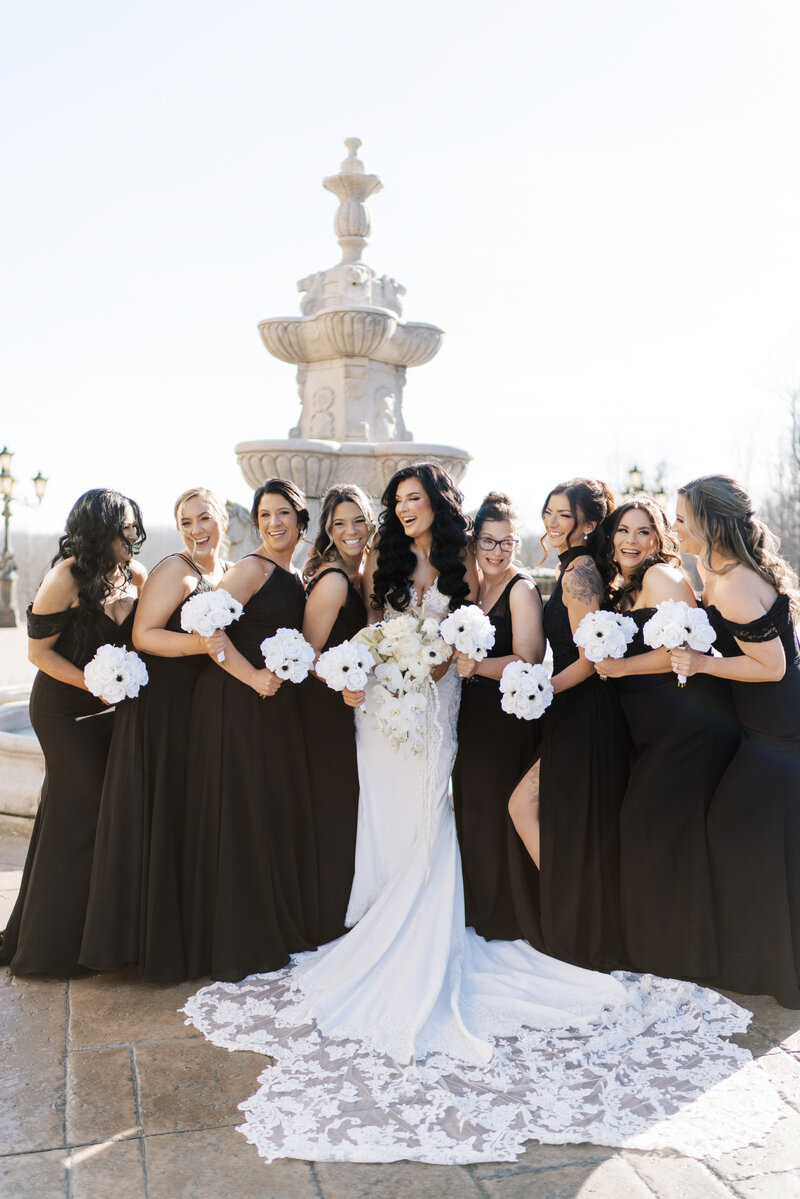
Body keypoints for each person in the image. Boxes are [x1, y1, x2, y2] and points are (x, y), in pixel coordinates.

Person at [181, 463, 778, 1165]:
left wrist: (452, 666)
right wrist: (371, 667)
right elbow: (372, 628)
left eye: (415, 498)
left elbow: (501, 632)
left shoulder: (474, 558)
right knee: (392, 812)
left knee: (441, 811)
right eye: (396, 501)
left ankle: (460, 918)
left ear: (438, 504)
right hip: (385, 704)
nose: (405, 510)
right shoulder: (382, 562)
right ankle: (377, 914)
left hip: (445, 704)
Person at [80, 488, 230, 981]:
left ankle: (178, 933)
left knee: (180, 816)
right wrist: (203, 647)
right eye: (185, 521)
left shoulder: (223, 570)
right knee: (157, 814)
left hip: (192, 709)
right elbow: (144, 635)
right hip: (160, 708)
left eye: (203, 517)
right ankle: (142, 944)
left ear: (222, 518)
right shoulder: (176, 568)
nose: (195, 528)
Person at [0, 489, 146, 976]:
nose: (130, 534)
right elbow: (38, 655)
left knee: (107, 816)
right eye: (121, 527)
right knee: (78, 818)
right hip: (66, 711)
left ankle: (102, 937)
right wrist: (94, 683)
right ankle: (53, 948)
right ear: (96, 529)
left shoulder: (136, 576)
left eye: (133, 525)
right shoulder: (65, 577)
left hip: (113, 714)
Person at [593, 498, 739, 979]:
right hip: (650, 730)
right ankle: (656, 949)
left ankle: (681, 956)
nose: (631, 541)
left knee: (656, 828)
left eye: (644, 532)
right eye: (623, 531)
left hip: (685, 727)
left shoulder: (662, 578)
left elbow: (689, 647)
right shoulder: (623, 588)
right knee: (649, 829)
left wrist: (621, 668)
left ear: (659, 540)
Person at [181, 478, 318, 982]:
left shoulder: (296, 573)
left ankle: (271, 922)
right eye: (265, 515)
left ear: (301, 521)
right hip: (235, 702)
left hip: (271, 707)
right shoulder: (252, 568)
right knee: (241, 811)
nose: (274, 523)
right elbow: (205, 628)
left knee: (265, 809)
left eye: (284, 513)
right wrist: (253, 677)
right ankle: (236, 938)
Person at [672, 475, 800, 1007]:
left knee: (731, 829)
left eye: (682, 519)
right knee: (767, 839)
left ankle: (769, 970)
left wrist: (702, 661)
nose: (675, 527)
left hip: (778, 730)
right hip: (760, 727)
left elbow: (772, 667)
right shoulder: (713, 569)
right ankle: (770, 963)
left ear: (711, 524)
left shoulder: (735, 583)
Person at [508, 478, 628, 971]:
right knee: (564, 820)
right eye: (549, 513)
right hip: (572, 709)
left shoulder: (580, 572)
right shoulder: (572, 567)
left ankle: (575, 919)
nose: (553, 523)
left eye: (564, 515)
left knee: (522, 807)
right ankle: (576, 917)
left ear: (590, 523)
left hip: (585, 710)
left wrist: (542, 690)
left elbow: (592, 658)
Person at [451, 491, 544, 940]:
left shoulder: (520, 589)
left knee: (493, 812)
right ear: (475, 543)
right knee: (473, 807)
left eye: (507, 543)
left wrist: (477, 667)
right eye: (489, 541)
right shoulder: (475, 587)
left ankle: (504, 916)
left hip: (505, 717)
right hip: (472, 714)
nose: (498, 552)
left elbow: (529, 656)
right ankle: (478, 908)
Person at [300, 484, 373, 943]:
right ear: (328, 528)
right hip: (324, 711)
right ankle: (325, 920)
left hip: (349, 710)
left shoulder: (359, 574)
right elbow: (304, 656)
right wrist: (341, 683)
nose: (350, 531)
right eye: (340, 523)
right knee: (334, 810)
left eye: (359, 521)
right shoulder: (334, 580)